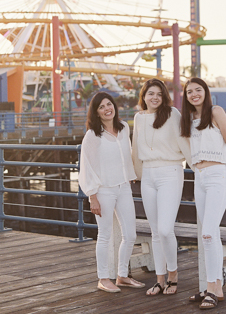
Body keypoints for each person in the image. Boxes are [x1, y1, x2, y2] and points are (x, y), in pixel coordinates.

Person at [180, 77, 226, 310]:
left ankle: (213, 288)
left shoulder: (216, 111)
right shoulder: (189, 119)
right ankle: (214, 288)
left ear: (205, 91)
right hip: (199, 177)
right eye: (189, 91)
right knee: (209, 234)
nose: (194, 94)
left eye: (198, 90)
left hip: (217, 174)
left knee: (207, 234)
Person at [79, 92, 145, 293]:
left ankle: (122, 276)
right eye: (101, 107)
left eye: (109, 104)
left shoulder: (124, 128)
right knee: (105, 235)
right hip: (103, 190)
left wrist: (132, 173)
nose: (107, 108)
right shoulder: (92, 135)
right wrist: (92, 196)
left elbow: (129, 154)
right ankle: (103, 278)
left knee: (130, 234)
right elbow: (86, 166)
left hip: (124, 187)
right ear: (96, 112)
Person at [132, 78, 191, 297]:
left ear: (163, 96)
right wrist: (135, 175)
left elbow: (185, 140)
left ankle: (173, 275)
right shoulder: (138, 118)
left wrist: (196, 164)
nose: (154, 97)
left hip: (170, 171)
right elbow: (135, 148)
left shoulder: (172, 114)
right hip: (148, 174)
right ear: (144, 96)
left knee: (166, 229)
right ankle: (159, 280)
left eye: (158, 94)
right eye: (150, 94)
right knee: (155, 232)